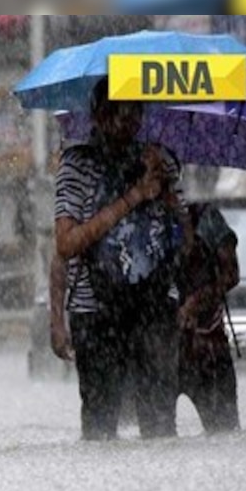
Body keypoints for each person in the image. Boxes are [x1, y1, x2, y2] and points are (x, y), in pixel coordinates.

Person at [54, 78, 183, 441]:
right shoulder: (76, 165)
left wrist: (166, 192)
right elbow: (65, 244)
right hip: (96, 312)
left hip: (154, 307)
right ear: (97, 115)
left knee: (160, 426)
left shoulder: (159, 161)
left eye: (135, 114)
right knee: (100, 427)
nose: (128, 123)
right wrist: (134, 196)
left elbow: (185, 242)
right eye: (118, 114)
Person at [177, 199, 240, 433]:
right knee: (152, 440)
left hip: (207, 349)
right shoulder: (135, 216)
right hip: (158, 353)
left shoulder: (206, 218)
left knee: (225, 433)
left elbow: (231, 274)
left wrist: (195, 302)